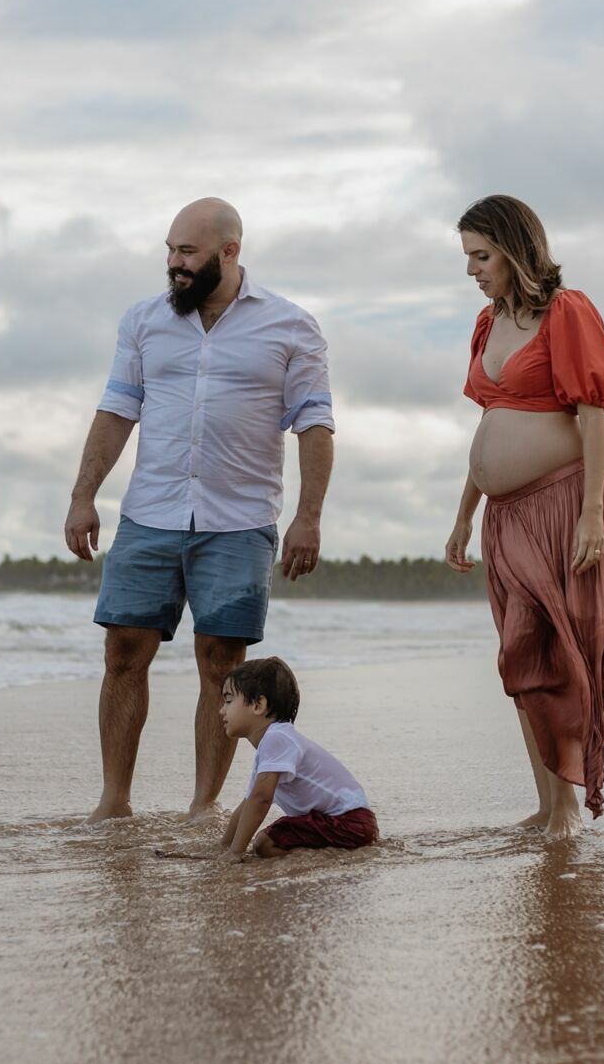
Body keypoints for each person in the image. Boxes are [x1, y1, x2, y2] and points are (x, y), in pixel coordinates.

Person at [65, 198, 336, 824]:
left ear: (229, 252)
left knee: (223, 667)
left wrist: (309, 515)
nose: (174, 264)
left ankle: (203, 804)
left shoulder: (291, 326)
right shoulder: (143, 321)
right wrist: (84, 495)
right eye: (169, 250)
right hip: (150, 513)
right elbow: (116, 411)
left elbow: (315, 425)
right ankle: (114, 800)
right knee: (123, 653)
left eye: (187, 252)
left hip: (239, 522)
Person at [443, 195, 604, 839]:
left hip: (561, 504)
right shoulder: (485, 325)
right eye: (467, 256)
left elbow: (591, 416)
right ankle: (549, 805)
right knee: (520, 656)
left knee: (561, 654)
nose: (472, 269)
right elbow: (489, 424)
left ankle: (568, 811)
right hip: (505, 516)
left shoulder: (566, 312)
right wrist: (464, 515)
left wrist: (590, 517)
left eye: (481, 255)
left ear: (516, 250)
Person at [217, 657, 376, 860]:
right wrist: (224, 846)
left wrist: (235, 852)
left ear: (258, 705)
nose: (222, 710)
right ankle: (327, 854)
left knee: (264, 844)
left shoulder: (277, 738)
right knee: (270, 840)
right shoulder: (272, 745)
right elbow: (248, 803)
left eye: (229, 701)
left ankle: (325, 858)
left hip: (348, 823)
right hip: (351, 822)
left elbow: (261, 799)